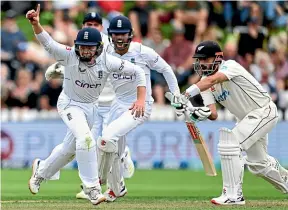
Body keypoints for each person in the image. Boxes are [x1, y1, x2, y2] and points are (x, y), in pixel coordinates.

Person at [48, 15, 180, 202]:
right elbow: (83, 65)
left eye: (123, 34)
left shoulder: (142, 51)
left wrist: (175, 95)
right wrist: (62, 71)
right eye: (115, 34)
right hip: (117, 105)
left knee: (106, 139)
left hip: (139, 106)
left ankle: (98, 182)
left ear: (130, 35)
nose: (119, 38)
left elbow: (166, 69)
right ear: (109, 35)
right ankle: (116, 188)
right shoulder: (105, 52)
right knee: (112, 148)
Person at [26, 4, 146, 206]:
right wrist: (36, 24)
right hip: (70, 104)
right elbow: (47, 43)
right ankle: (92, 188)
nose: (85, 50)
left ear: (99, 47)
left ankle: (40, 172)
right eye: (82, 46)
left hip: (90, 108)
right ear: (76, 46)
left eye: (90, 47)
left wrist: (141, 99)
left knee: (69, 150)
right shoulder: (69, 54)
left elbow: (138, 72)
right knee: (86, 139)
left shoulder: (108, 61)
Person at [169, 40, 288, 205]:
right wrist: (194, 112)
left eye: (206, 59)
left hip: (263, 111)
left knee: (230, 142)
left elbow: (212, 81)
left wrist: (184, 95)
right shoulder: (205, 80)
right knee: (258, 164)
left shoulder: (229, 66)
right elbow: (213, 114)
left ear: (217, 58)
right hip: (247, 120)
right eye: (199, 59)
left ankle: (233, 195)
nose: (202, 63)